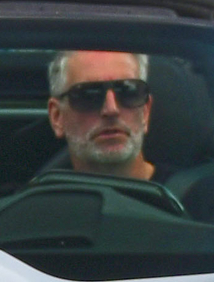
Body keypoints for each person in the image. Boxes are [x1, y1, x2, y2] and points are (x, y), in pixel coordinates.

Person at [45, 49, 161, 182]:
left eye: (128, 92)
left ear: (145, 112)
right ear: (57, 117)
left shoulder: (186, 199)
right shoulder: (43, 201)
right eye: (89, 95)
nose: (111, 109)